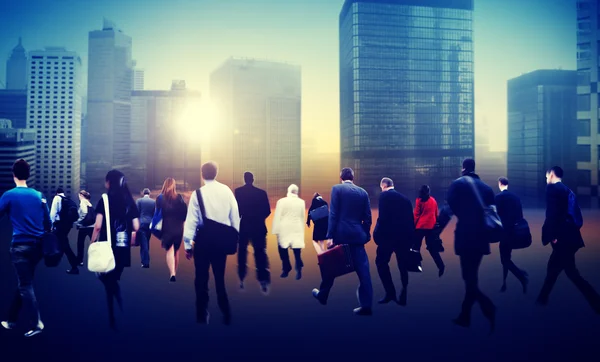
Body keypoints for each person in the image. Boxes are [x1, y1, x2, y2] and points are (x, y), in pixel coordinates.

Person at [536, 166, 600, 314]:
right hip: (571, 237)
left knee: (572, 273)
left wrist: (553, 236)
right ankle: (542, 298)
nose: (546, 180)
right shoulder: (566, 190)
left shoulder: (552, 189)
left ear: (552, 175)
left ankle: (596, 301)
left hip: (562, 239)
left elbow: (553, 215)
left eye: (546, 177)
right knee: (553, 268)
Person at [184, 161, 240, 325]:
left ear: (202, 174)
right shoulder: (226, 191)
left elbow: (191, 221)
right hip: (221, 241)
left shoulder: (197, 194)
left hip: (203, 241)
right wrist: (235, 236)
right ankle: (226, 312)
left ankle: (202, 314)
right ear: (216, 173)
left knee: (200, 278)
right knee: (219, 278)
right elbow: (235, 217)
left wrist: (188, 245)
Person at [312, 167, 373, 316]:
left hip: (341, 234)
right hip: (358, 236)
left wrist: (330, 236)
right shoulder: (363, 192)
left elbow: (333, 213)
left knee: (331, 265)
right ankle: (366, 306)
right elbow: (368, 217)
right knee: (364, 272)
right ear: (353, 177)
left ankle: (323, 295)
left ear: (341, 177)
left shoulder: (337, 189)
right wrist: (365, 233)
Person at [0, 159, 50, 338]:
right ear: (28, 175)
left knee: (26, 284)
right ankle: (11, 320)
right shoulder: (38, 195)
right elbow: (48, 222)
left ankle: (37, 322)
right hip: (37, 248)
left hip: (20, 247)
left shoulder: (9, 195)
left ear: (13, 175)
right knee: (24, 282)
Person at [447, 158, 496, 333]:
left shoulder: (457, 185)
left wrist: (434, 233)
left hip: (465, 236)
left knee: (468, 277)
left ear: (463, 168)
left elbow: (448, 209)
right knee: (471, 276)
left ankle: (487, 306)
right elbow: (492, 211)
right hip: (481, 236)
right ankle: (465, 316)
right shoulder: (487, 188)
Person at [90, 170, 140, 330]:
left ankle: (113, 316)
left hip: (107, 247)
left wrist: (92, 243)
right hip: (122, 248)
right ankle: (118, 306)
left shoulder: (104, 200)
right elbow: (136, 226)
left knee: (106, 279)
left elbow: (97, 226)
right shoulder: (129, 201)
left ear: (109, 182)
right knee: (112, 279)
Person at [374, 177, 414, 306]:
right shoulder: (405, 199)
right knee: (402, 265)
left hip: (387, 238)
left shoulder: (384, 196)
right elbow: (410, 221)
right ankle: (404, 291)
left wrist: (376, 234)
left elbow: (383, 218)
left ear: (383, 186)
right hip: (403, 238)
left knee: (381, 263)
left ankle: (390, 293)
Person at [234, 172, 271, 293]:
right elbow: (267, 211)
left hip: (244, 226)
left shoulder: (238, 192)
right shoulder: (261, 193)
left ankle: (241, 279)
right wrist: (259, 218)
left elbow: (237, 211)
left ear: (244, 179)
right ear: (253, 179)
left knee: (242, 253)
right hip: (258, 226)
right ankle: (263, 281)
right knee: (260, 254)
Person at [495, 177, 529, 293]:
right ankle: (504, 283)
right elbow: (520, 214)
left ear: (500, 184)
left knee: (504, 260)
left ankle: (521, 276)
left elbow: (495, 216)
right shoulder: (516, 198)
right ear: (507, 184)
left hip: (504, 232)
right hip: (514, 231)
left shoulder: (498, 198)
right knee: (506, 258)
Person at [272, 184, 306, 280]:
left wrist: (276, 231)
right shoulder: (301, 202)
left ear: (288, 191)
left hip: (284, 228)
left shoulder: (281, 202)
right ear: (296, 192)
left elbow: (277, 216)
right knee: (297, 251)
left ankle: (286, 268)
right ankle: (298, 269)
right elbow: (302, 217)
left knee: (283, 250)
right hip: (296, 228)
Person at [156, 178, 187, 282]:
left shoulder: (160, 198)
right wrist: (182, 221)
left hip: (166, 225)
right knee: (176, 251)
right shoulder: (179, 197)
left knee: (169, 249)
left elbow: (157, 213)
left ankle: (172, 273)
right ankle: (175, 272)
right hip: (178, 226)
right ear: (174, 186)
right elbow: (184, 212)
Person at [413, 185, 445, 277]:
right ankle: (440, 265)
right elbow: (436, 214)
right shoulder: (433, 200)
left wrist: (413, 226)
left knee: (416, 247)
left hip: (420, 227)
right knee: (432, 248)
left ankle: (417, 265)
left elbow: (416, 215)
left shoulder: (419, 201)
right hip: (431, 227)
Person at [51, 187, 79, 275]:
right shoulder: (67, 200)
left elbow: (53, 213)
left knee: (64, 244)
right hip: (67, 225)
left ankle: (74, 265)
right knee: (63, 242)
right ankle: (70, 262)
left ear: (57, 193)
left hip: (60, 225)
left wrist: (50, 226)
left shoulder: (57, 198)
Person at [136, 188, 155, 269]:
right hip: (150, 224)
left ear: (143, 193)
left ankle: (145, 263)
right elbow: (155, 213)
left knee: (143, 244)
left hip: (142, 224)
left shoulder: (139, 201)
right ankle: (144, 260)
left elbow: (136, 213)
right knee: (146, 242)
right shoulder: (153, 202)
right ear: (149, 193)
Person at [74, 190, 94, 266]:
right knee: (93, 243)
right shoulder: (89, 203)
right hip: (92, 226)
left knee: (80, 244)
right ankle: (95, 259)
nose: (79, 197)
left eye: (79, 196)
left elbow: (84, 212)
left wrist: (78, 222)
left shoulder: (83, 202)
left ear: (82, 195)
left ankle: (80, 260)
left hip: (84, 227)